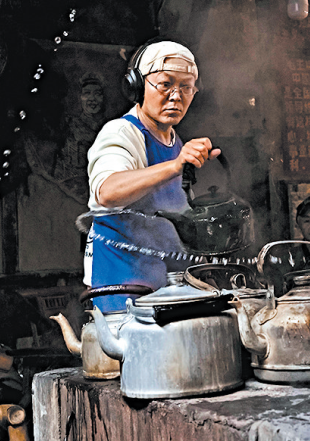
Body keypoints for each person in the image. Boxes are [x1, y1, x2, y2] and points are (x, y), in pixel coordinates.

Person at [84, 40, 220, 310]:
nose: (176, 96)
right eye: (165, 84)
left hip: (167, 290)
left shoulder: (175, 141)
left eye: (186, 87)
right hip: (124, 294)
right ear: (137, 86)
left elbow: (175, 216)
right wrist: (175, 166)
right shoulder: (122, 132)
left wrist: (203, 268)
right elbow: (108, 192)